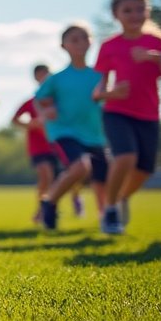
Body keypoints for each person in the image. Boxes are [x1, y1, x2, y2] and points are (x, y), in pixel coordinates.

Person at [95, 0, 161, 234]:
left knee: (144, 170)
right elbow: (97, 92)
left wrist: (153, 57)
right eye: (127, 10)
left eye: (140, 9)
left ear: (148, 11)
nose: (135, 14)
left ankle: (121, 198)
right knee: (126, 156)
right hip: (117, 111)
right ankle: (110, 211)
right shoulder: (109, 46)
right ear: (116, 15)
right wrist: (110, 93)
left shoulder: (160, 42)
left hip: (149, 114)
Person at [33, 24, 111, 231]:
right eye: (74, 40)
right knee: (81, 167)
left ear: (91, 42)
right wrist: (44, 112)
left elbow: (106, 100)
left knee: (102, 178)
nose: (80, 43)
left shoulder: (99, 76)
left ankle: (106, 217)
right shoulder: (57, 79)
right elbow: (39, 99)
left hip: (94, 134)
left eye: (84, 38)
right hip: (63, 131)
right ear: (63, 46)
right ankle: (50, 202)